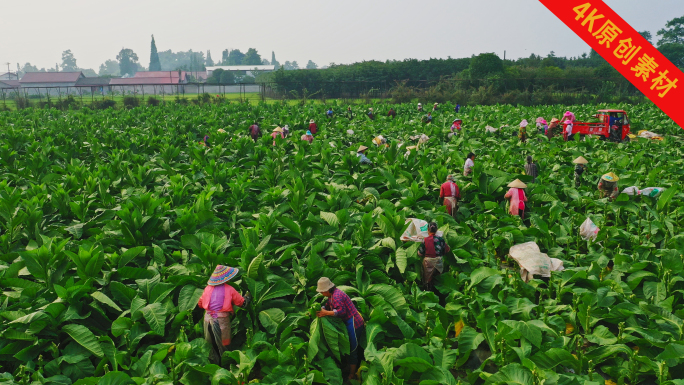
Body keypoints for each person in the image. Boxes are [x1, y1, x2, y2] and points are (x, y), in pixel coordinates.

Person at [197, 265, 251, 364]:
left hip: (207, 319)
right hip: (221, 320)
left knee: (210, 344)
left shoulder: (208, 288)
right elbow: (242, 303)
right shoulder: (229, 289)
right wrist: (248, 296)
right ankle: (226, 367)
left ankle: (213, 368)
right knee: (224, 344)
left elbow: (200, 304)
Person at [316, 277, 366, 381]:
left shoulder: (337, 296)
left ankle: (352, 374)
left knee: (352, 348)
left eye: (321, 291)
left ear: (326, 290)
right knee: (347, 347)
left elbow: (341, 312)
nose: (321, 293)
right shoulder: (331, 295)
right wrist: (320, 310)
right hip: (347, 322)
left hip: (354, 323)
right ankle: (350, 366)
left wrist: (325, 313)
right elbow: (328, 306)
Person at [417, 222, 451, 291]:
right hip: (439, 261)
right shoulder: (441, 239)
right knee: (438, 279)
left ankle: (427, 290)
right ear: (437, 230)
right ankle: (439, 293)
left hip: (428, 262)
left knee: (427, 279)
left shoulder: (425, 240)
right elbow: (447, 250)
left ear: (428, 230)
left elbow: (420, 253)